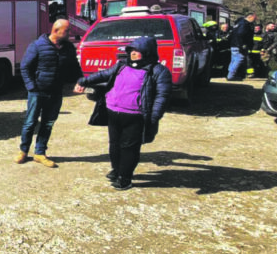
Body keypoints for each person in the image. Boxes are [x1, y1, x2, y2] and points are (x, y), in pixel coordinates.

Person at [74, 36, 172, 190]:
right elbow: (103, 75)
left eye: (137, 51)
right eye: (131, 50)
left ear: (147, 52)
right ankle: (117, 170)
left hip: (135, 116)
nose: (132, 53)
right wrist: (83, 81)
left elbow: (162, 96)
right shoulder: (122, 65)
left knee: (129, 147)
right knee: (114, 145)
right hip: (113, 112)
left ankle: (125, 178)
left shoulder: (158, 71)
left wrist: (154, 117)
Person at [16, 19, 82, 167]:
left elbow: (75, 67)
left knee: (48, 123)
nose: (70, 33)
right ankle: (24, 151)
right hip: (37, 92)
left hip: (56, 92)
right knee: (30, 123)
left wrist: (80, 80)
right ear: (56, 30)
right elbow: (25, 67)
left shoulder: (68, 48)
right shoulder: (37, 46)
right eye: (67, 31)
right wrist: (31, 87)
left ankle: (40, 153)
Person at [227, 13, 257, 80]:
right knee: (239, 59)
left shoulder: (238, 23)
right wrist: (242, 44)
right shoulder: (244, 24)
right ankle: (231, 76)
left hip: (234, 44)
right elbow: (241, 34)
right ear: (250, 17)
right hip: (239, 45)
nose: (255, 20)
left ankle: (230, 74)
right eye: (254, 19)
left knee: (234, 60)